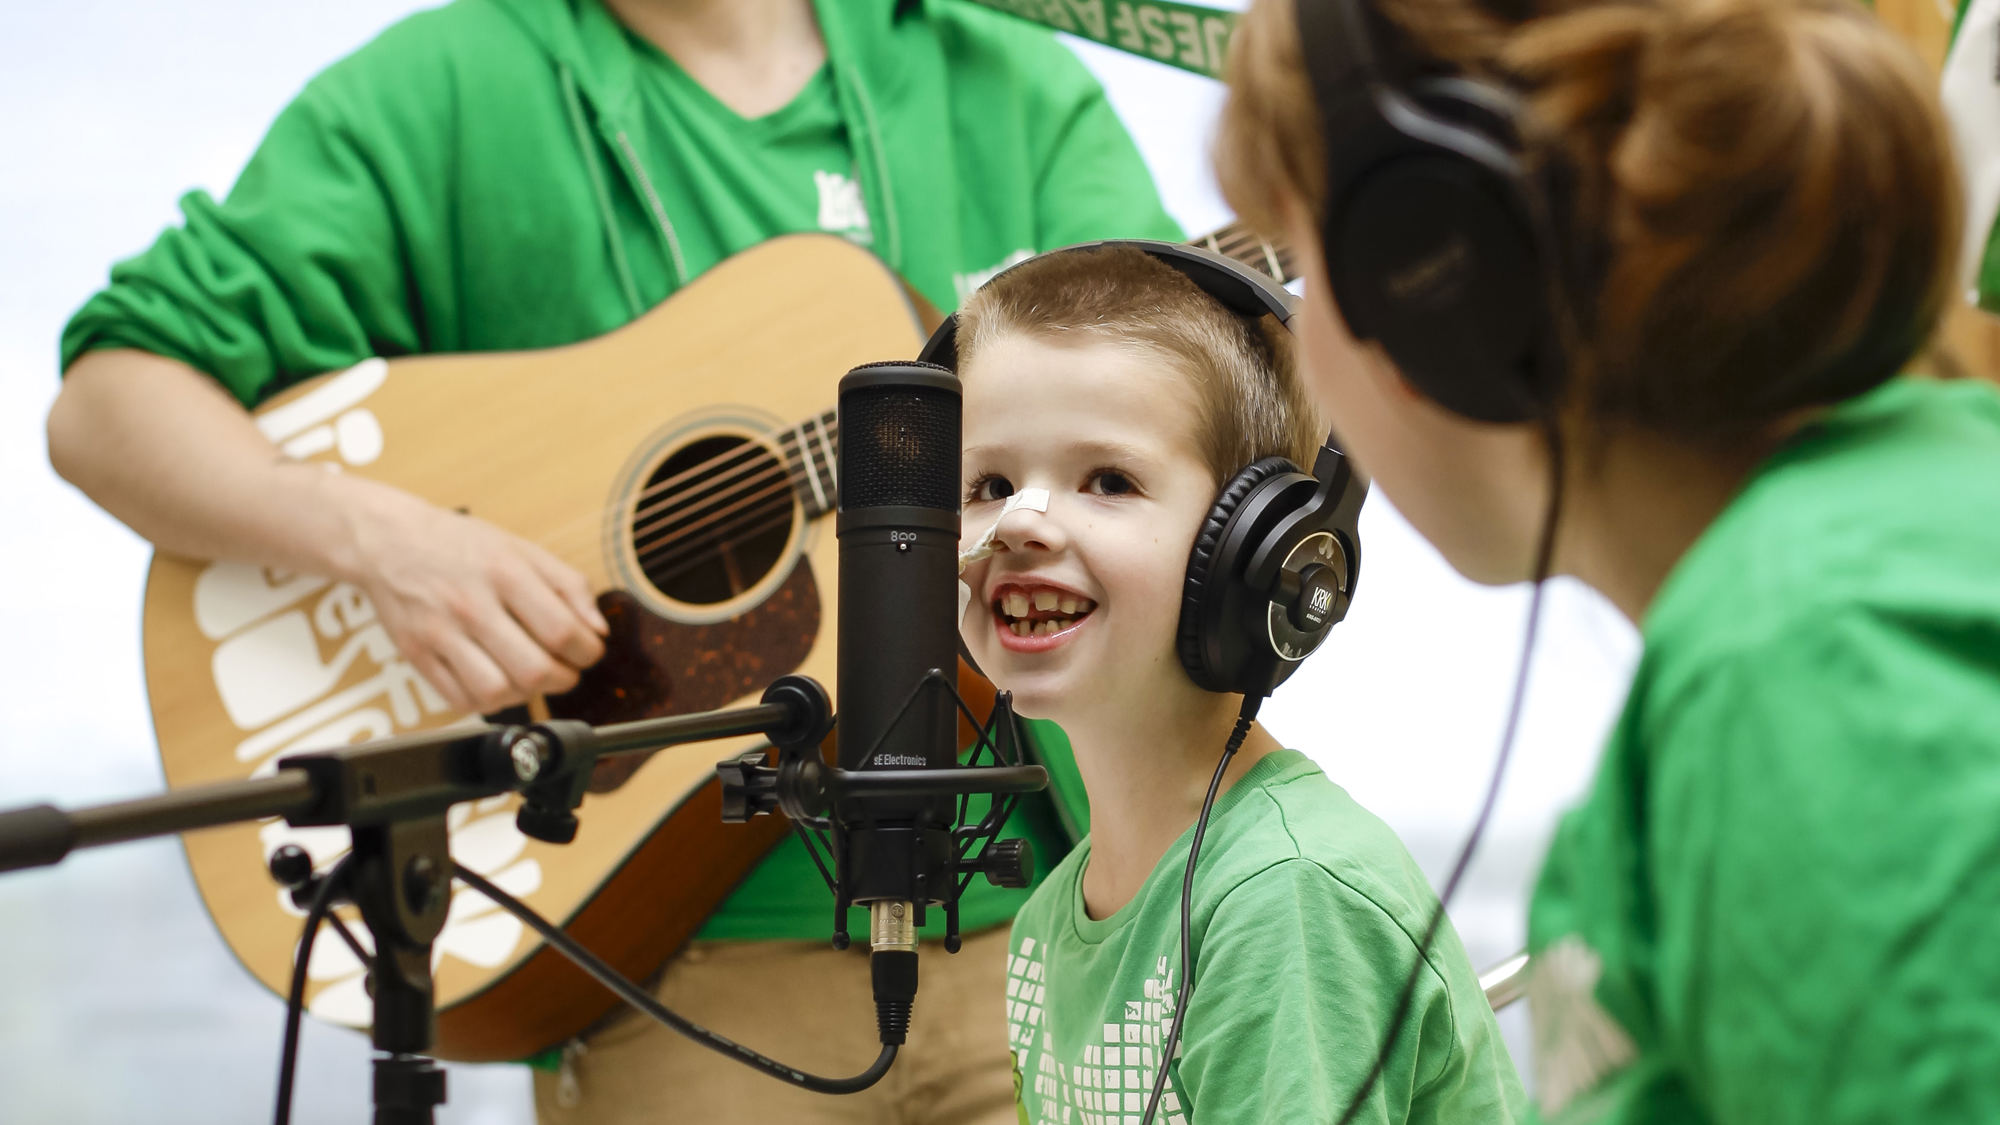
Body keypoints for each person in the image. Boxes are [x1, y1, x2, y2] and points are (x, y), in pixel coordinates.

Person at [45, 1, 1182, 1121]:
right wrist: (388, 544)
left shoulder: (1005, 79)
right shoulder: (446, 85)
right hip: (675, 986)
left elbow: (1201, 388)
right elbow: (108, 407)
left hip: (1054, 925)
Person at [1214, 0, 2000, 1120]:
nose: (1303, 351)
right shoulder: (1864, 554)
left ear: (1433, 275)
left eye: (1305, 280)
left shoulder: (1814, 665)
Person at [950, 243, 1526, 1124]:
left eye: (1109, 481)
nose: (1021, 523)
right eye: (989, 483)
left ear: (1261, 552)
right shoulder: (1047, 923)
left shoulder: (1285, 896)